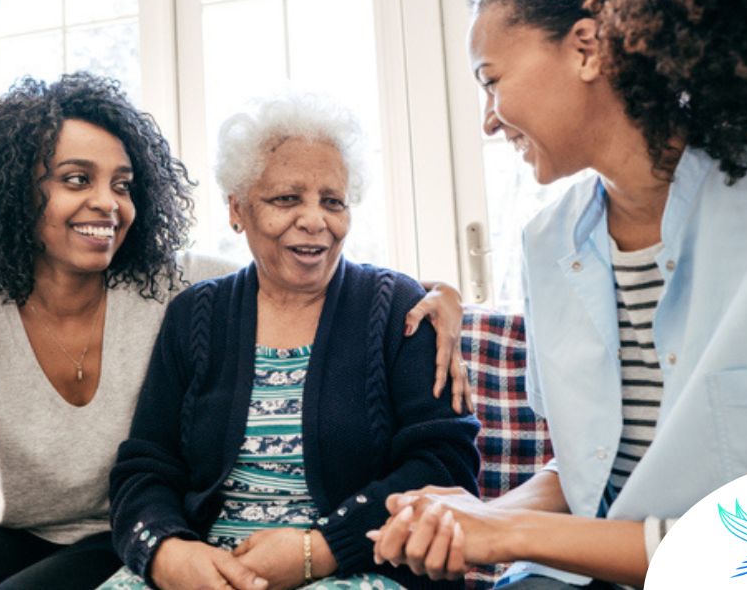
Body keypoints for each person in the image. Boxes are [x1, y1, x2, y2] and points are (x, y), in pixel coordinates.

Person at [370, 0, 747, 587]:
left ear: (586, 49)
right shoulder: (546, 240)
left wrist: (507, 531)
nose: (488, 118)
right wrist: (472, 515)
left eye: (491, 80)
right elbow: (589, 472)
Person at [0, 73, 467, 589]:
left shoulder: (173, 285)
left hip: (112, 535)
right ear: (14, 192)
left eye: (122, 184)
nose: (107, 203)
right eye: (76, 180)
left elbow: (297, 272)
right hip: (18, 527)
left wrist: (441, 295)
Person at [100, 93, 481, 590]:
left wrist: (319, 549)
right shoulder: (195, 314)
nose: (315, 220)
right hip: (211, 569)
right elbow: (145, 467)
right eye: (286, 199)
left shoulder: (399, 309)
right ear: (237, 209)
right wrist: (169, 553)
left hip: (358, 566)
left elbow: (446, 466)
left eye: (332, 201)